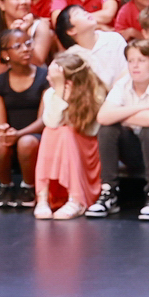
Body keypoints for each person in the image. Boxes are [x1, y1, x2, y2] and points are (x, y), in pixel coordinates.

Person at [92, 38, 149, 219]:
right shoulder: (123, 83)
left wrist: (120, 115)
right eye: (131, 61)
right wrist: (141, 108)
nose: (135, 66)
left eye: (141, 61)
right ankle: (108, 190)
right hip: (132, 150)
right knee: (107, 129)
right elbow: (102, 117)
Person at [33, 48, 105, 219]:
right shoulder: (51, 93)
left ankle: (77, 198)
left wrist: (67, 97)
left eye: (54, 77)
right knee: (51, 131)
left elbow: (90, 129)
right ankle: (42, 197)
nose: (48, 79)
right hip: (60, 144)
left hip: (86, 146)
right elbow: (51, 122)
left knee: (65, 132)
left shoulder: (96, 93)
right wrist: (59, 91)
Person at [0, 27, 47, 208]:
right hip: (14, 135)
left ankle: (28, 187)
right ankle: (6, 187)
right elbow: (1, 121)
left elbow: (44, 120)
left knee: (26, 143)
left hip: (36, 135)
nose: (26, 49)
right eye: (18, 46)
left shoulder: (44, 77)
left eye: (28, 43)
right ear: (5, 54)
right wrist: (4, 131)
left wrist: (19, 134)